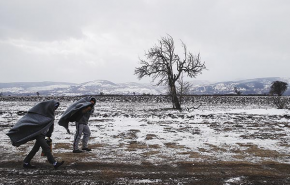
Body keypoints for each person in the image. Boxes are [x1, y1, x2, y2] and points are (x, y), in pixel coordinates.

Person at [6, 100, 64, 169]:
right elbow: (34, 122)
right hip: (39, 134)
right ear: (50, 107)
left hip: (42, 135)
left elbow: (51, 125)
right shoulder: (41, 114)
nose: (55, 108)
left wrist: (49, 134)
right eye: (54, 107)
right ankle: (54, 163)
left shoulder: (50, 115)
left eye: (56, 107)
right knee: (46, 148)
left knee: (35, 149)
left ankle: (26, 162)